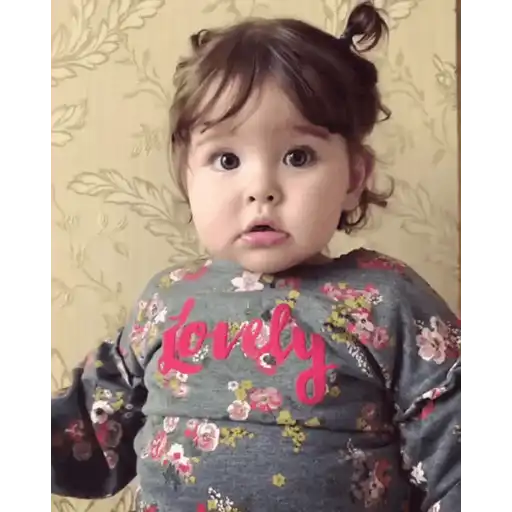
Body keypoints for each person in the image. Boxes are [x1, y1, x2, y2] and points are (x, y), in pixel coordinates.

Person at [51, 2, 461, 511]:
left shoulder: (387, 301)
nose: (261, 188)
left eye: (298, 156)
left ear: (354, 177)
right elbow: (92, 434)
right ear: (186, 178)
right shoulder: (165, 301)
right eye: (226, 159)